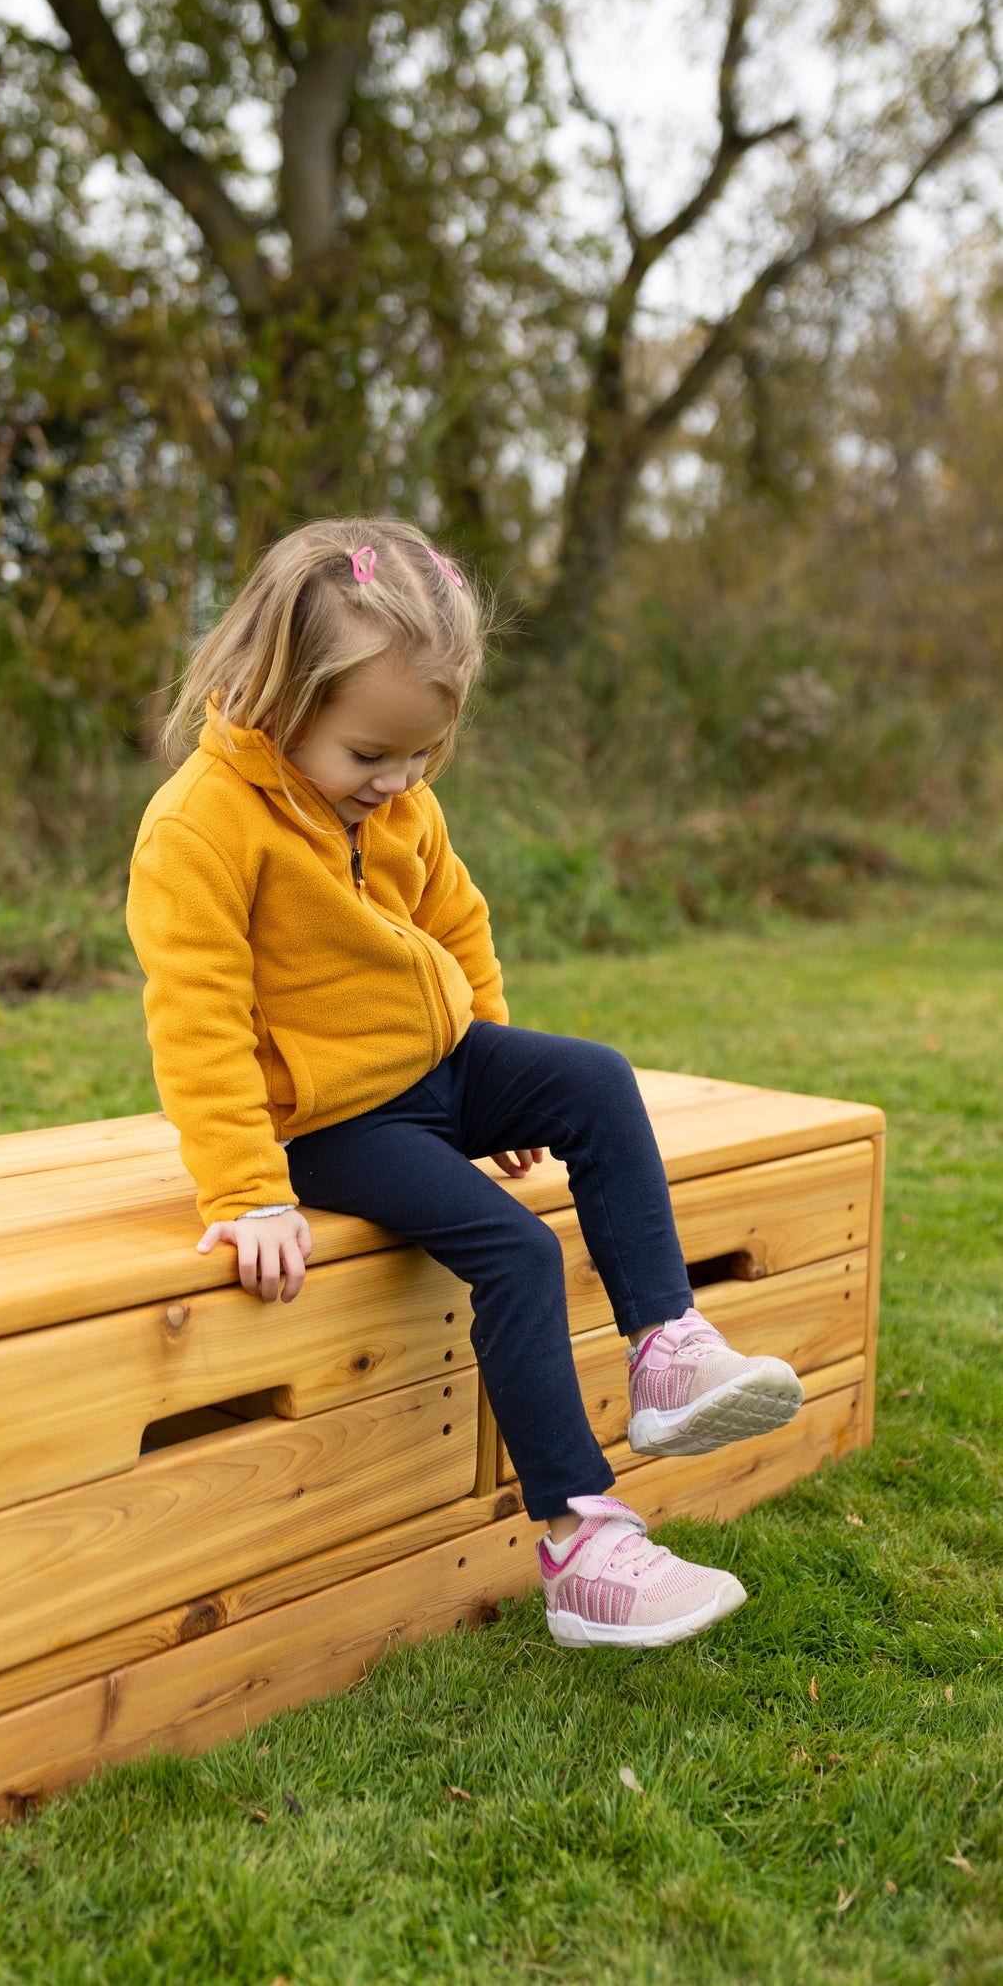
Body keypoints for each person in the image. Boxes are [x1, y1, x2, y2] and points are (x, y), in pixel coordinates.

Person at [126, 517, 803, 1649]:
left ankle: (665, 1349)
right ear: (276, 691)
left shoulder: (396, 802)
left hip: (438, 1071)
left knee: (592, 1079)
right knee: (516, 1250)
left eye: (420, 757)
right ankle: (580, 1543)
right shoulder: (198, 827)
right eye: (368, 756)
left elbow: (455, 920)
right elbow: (191, 1017)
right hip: (333, 1122)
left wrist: (500, 1070)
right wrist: (244, 1190)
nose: (395, 782)